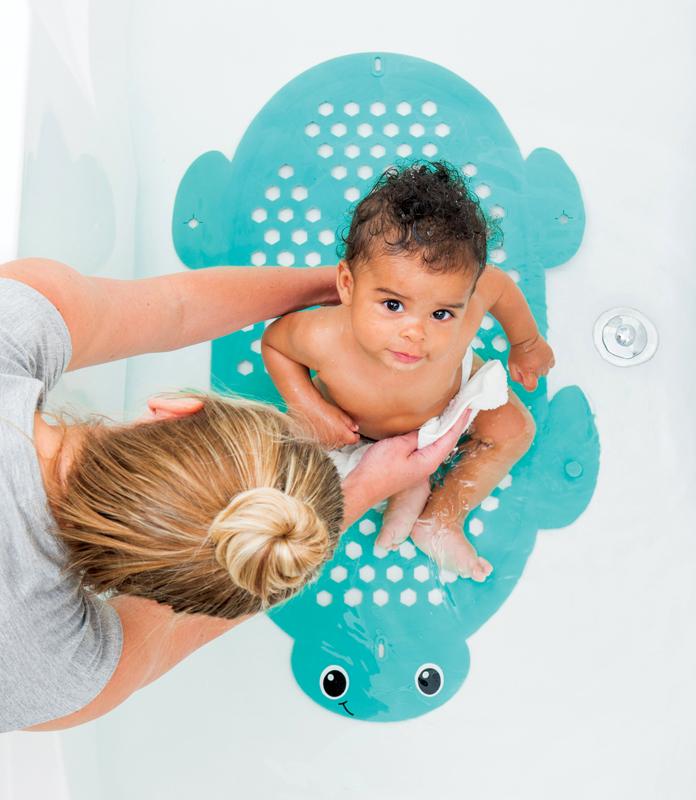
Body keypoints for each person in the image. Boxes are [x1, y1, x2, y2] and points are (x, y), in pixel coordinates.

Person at [0, 256, 470, 734]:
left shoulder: (13, 324)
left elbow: (176, 308)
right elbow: (161, 638)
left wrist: (364, 290)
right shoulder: (46, 672)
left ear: (176, 410)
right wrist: (364, 487)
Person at [262, 161, 555, 582]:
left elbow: (501, 288)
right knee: (293, 458)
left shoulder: (471, 300)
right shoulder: (322, 337)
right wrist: (308, 404)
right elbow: (274, 344)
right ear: (347, 285)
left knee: (515, 430)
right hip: (351, 429)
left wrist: (526, 343)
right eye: (393, 305)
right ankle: (402, 483)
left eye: (441, 313)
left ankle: (439, 518)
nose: (415, 333)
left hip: (444, 411)